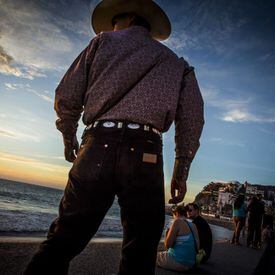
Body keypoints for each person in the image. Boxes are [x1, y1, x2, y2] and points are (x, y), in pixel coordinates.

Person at [24, 0, 205, 274]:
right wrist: (181, 168)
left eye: (114, 23)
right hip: (147, 153)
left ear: (129, 18)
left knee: (64, 238)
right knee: (141, 248)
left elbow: (67, 95)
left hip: (97, 144)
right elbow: (192, 120)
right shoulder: (178, 66)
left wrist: (68, 135)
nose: (110, 29)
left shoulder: (101, 43)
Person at [157, 205, 200, 271]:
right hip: (191, 263)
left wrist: (167, 233)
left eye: (173, 215)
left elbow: (168, 245)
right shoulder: (193, 225)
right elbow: (197, 246)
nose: (173, 218)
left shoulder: (177, 222)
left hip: (178, 262)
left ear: (176, 213)